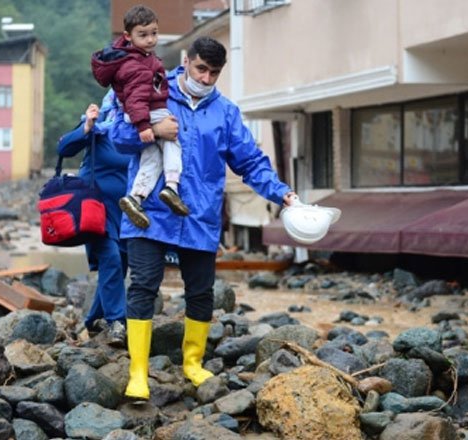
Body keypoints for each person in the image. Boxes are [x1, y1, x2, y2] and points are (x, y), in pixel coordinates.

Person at [107, 36, 298, 400]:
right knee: (143, 286)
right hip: (149, 213)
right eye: (201, 69)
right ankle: (138, 371)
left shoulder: (225, 113)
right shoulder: (154, 92)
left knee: (201, 294)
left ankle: (192, 363)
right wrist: (151, 130)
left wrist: (282, 193)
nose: (207, 79)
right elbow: (117, 136)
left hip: (199, 215)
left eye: (214, 73)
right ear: (186, 61)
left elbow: (250, 162)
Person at [91, 4, 189, 230]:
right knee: (173, 142)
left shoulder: (139, 58)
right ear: (128, 36)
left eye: (154, 33)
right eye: (143, 35)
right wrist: (145, 126)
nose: (150, 40)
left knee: (152, 158)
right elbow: (135, 99)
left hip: (144, 115)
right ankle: (172, 186)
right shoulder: (136, 65)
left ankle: (136, 197)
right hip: (150, 114)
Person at [56, 92, 130, 339]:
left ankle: (93, 319)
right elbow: (64, 147)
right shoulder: (99, 126)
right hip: (95, 211)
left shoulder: (138, 131)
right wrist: (87, 125)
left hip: (126, 212)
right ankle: (117, 322)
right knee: (110, 258)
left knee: (120, 265)